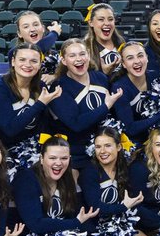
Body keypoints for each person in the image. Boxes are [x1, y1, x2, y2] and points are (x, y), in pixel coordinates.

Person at [13, 135, 98, 236]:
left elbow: (76, 213)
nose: (58, 163)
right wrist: (75, 222)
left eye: (64, 158)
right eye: (52, 158)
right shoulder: (26, 178)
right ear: (41, 158)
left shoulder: (67, 178)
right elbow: (36, 225)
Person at [0, 42, 59, 179]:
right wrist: (40, 103)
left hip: (30, 149)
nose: (27, 65)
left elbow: (43, 124)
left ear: (40, 64)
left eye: (34, 61)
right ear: (13, 61)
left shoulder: (40, 86)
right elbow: (9, 129)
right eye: (22, 59)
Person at [79, 127, 152, 236]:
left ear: (118, 147)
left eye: (107, 145)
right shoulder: (89, 171)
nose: (102, 151)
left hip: (122, 228)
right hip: (96, 231)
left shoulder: (125, 168)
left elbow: (135, 201)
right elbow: (96, 208)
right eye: (98, 146)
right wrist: (124, 206)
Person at [46, 39, 122, 169]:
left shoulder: (100, 78)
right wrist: (105, 106)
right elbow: (76, 124)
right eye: (72, 55)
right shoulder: (58, 87)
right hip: (76, 153)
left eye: (82, 54)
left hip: (104, 148)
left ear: (88, 55)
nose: (78, 59)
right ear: (64, 61)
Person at [113, 40, 160, 150]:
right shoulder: (120, 88)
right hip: (134, 144)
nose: (137, 61)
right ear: (124, 64)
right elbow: (130, 128)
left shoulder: (156, 76)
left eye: (140, 56)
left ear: (147, 58)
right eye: (130, 58)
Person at [13, 9, 62, 75]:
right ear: (19, 34)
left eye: (36, 25)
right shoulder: (15, 53)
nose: (32, 29)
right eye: (26, 27)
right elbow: (34, 49)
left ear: (43, 28)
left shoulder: (55, 56)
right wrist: (54, 33)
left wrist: (54, 77)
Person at [83, 3, 125, 76]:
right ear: (91, 22)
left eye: (110, 19)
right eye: (101, 19)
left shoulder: (124, 43)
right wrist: (104, 74)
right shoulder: (84, 49)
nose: (107, 23)